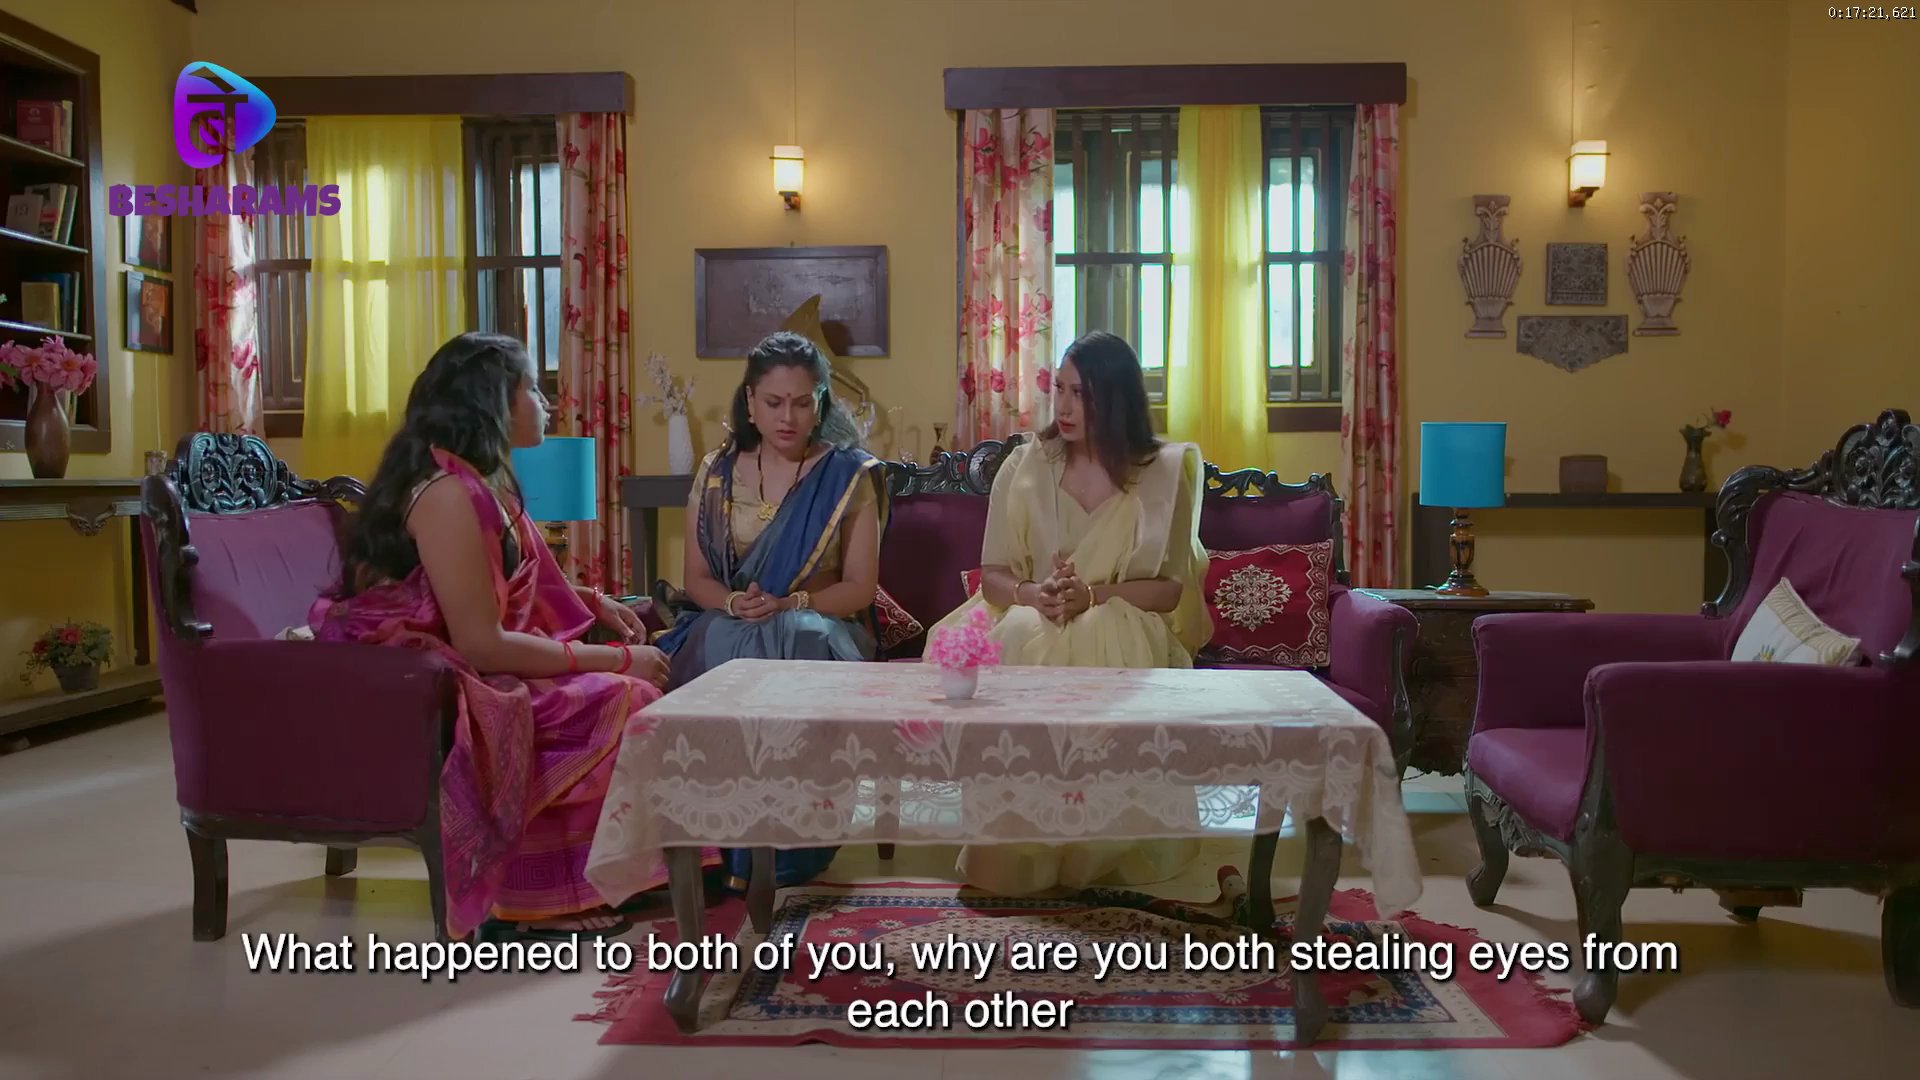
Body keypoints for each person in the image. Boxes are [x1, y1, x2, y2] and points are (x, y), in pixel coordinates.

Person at [309, 331, 716, 942]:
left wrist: (593, 601)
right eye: (531, 388)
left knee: (641, 693)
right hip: (430, 678)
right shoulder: (447, 494)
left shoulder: (481, 483)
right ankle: (525, 897)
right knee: (625, 698)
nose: (545, 401)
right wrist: (614, 658)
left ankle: (614, 872)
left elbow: (509, 582)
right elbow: (480, 642)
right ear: (492, 403)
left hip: (469, 660)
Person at [927, 330, 1213, 896]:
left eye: (1081, 393)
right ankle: (1025, 842)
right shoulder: (1025, 465)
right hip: (1037, 608)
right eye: (1059, 389)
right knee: (1026, 630)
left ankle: (1101, 843)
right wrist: (1035, 593)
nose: (1064, 406)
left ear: (1116, 398)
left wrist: (1095, 597)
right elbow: (993, 574)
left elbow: (1167, 591)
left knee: (1103, 631)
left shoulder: (1163, 472)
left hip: (1125, 616)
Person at [657, 329, 888, 890]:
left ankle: (793, 851)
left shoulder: (848, 475)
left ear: (821, 403)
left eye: (803, 403)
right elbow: (697, 579)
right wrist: (734, 601)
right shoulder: (716, 472)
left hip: (824, 624)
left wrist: (790, 602)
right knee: (729, 640)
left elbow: (860, 587)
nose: (788, 417)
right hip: (728, 619)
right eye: (774, 402)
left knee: (800, 636)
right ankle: (728, 846)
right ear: (750, 402)